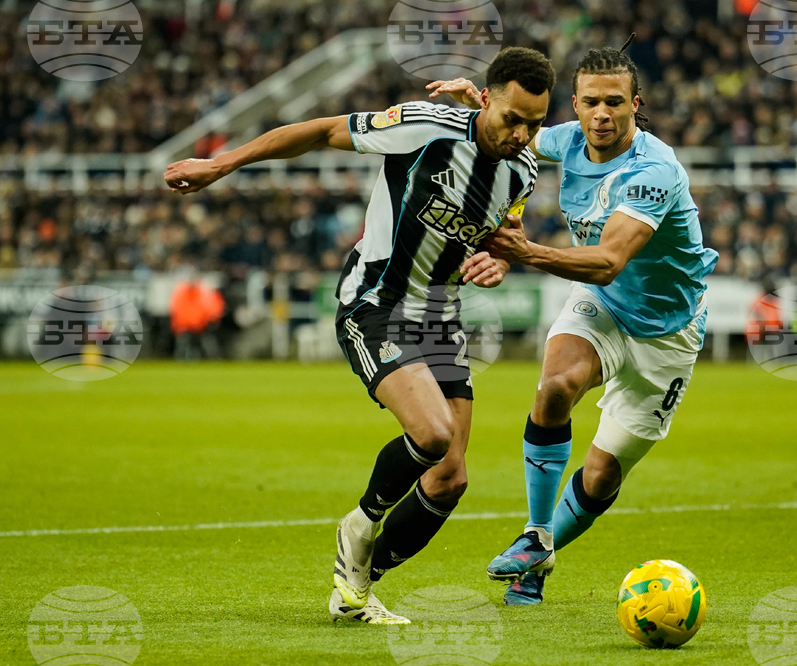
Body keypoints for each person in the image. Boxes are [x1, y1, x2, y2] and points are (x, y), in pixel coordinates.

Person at [165, 47, 555, 624]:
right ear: (487, 98)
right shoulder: (425, 127)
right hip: (375, 303)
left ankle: (357, 585)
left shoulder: (524, 169)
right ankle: (359, 525)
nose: (521, 133)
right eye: (512, 118)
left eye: (534, 123)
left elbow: (506, 231)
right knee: (432, 432)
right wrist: (220, 165)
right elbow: (321, 132)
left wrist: (501, 261)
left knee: (450, 477)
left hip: (441, 317)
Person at [428, 37, 718, 606]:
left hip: (668, 332)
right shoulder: (565, 139)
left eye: (614, 102)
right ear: (576, 104)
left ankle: (536, 560)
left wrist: (526, 253)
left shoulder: (655, 170)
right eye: (590, 102)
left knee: (603, 475)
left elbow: (609, 262)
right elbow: (510, 130)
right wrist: (482, 107)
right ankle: (535, 536)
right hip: (603, 310)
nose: (601, 114)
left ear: (638, 103)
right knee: (556, 384)